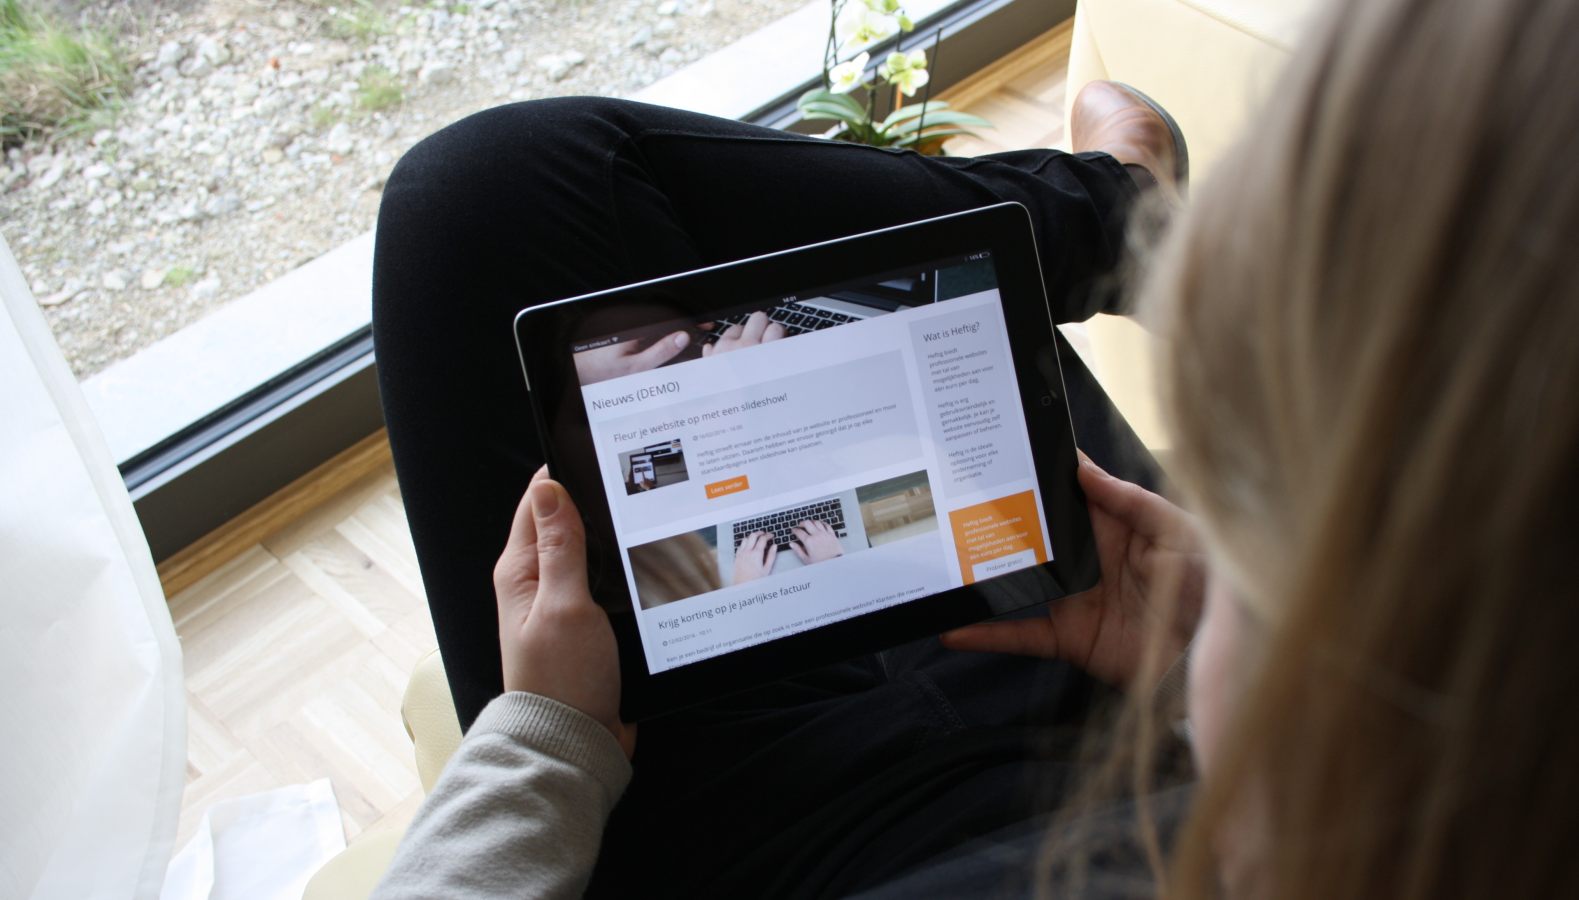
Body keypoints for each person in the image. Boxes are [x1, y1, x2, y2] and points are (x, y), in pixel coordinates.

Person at [377, 0, 1579, 891]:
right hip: (1111, 715)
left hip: (733, 844)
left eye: (1256, 508)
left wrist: (551, 742)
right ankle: (1126, 217)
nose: (1203, 498)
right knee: (491, 185)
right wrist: (1202, 661)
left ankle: (1122, 213)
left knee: (477, 201)